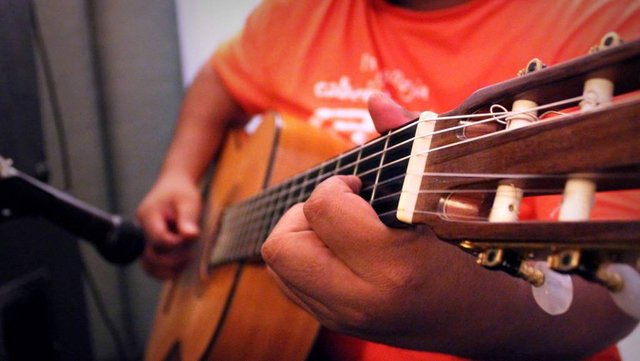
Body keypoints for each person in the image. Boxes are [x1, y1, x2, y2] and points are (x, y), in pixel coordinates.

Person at [136, 0, 640, 360]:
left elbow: (610, 300)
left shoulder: (603, 19)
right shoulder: (293, 14)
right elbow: (217, 81)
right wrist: (177, 176)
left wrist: (446, 307)